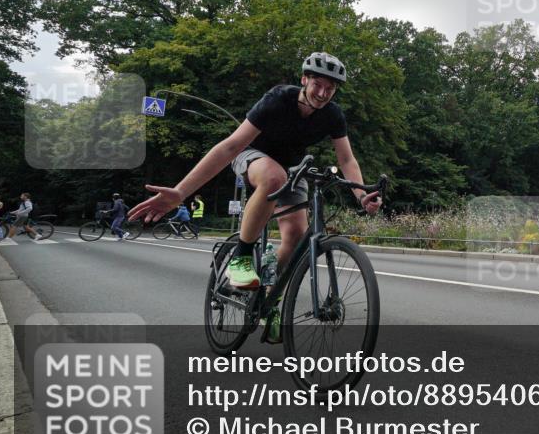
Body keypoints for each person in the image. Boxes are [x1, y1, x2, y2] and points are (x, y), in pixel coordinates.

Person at [129, 52, 382, 341]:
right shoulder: (278, 99)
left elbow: (347, 159)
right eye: (318, 85)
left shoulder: (333, 115)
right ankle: (242, 258)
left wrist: (361, 193)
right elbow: (229, 146)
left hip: (291, 169)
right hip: (250, 156)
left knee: (297, 233)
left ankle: (269, 301)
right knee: (274, 176)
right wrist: (181, 191)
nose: (323, 93)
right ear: (304, 80)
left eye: (330, 88)